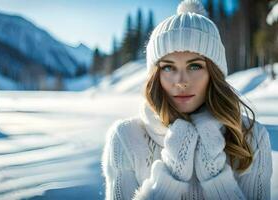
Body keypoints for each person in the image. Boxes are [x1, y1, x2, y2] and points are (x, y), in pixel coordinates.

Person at [101, 0, 273, 199]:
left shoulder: (252, 138)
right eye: (168, 67)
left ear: (214, 73)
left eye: (194, 66)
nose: (181, 81)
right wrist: (170, 179)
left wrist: (216, 179)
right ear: (155, 76)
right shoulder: (126, 138)